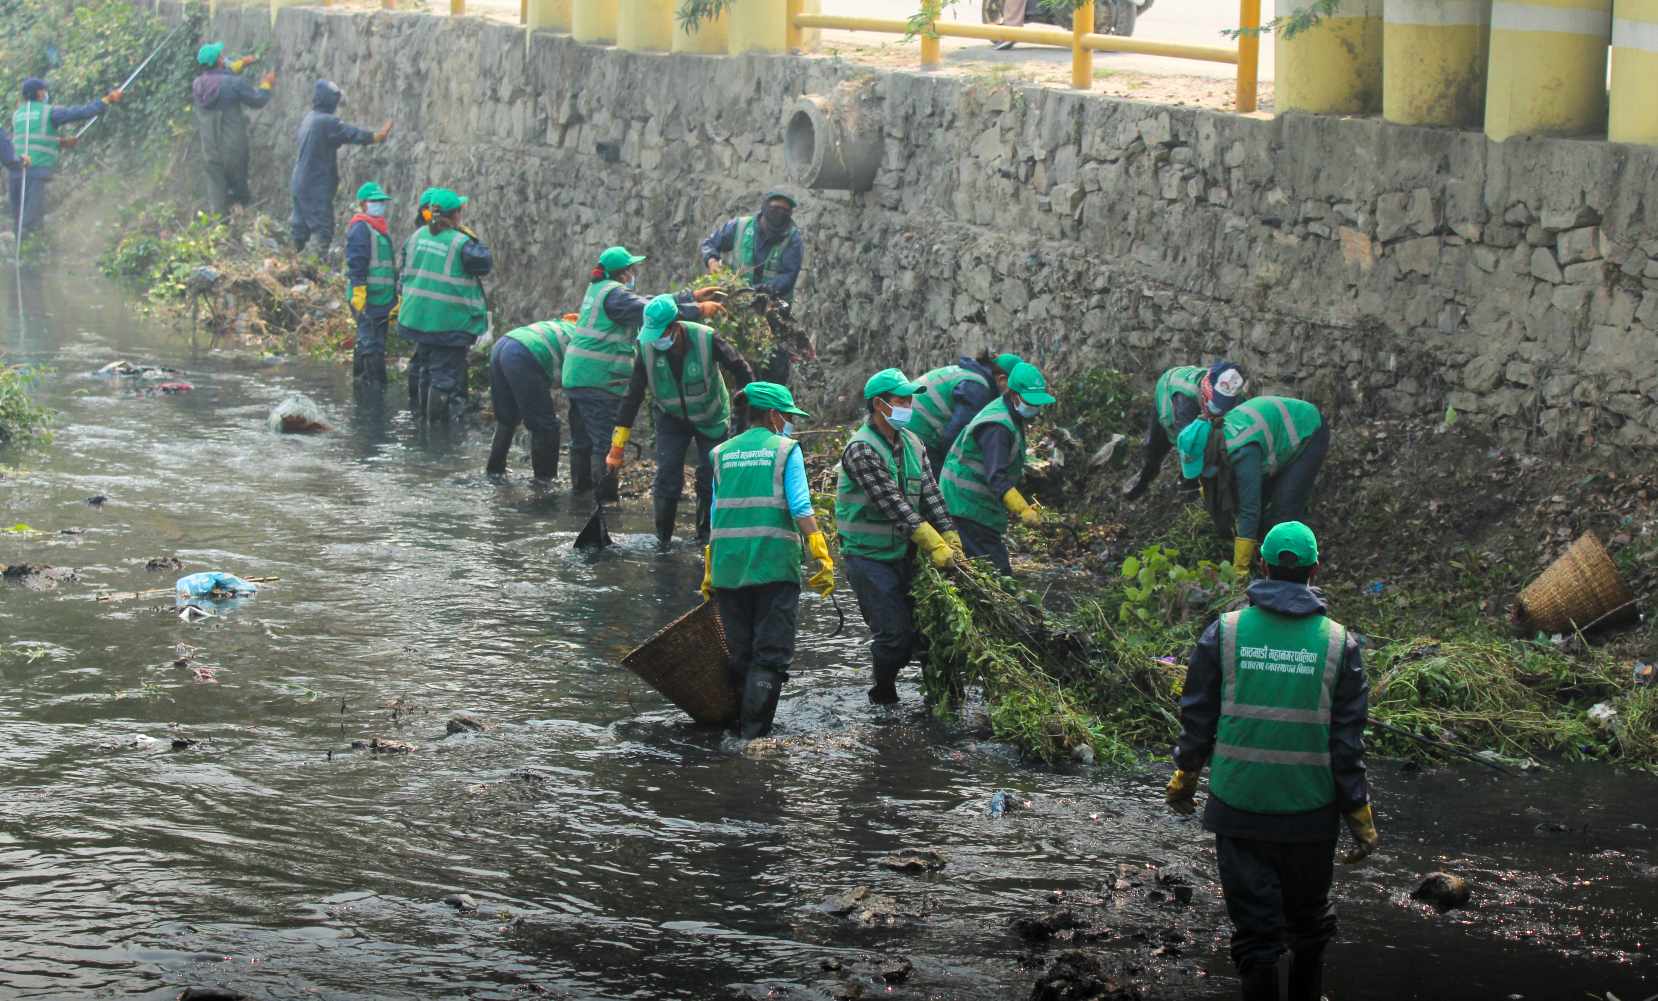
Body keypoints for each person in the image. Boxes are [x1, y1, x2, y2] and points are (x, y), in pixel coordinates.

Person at [1165, 520, 1376, 1001]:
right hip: (1310, 813)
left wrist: (1184, 777)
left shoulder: (1226, 632)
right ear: (1315, 569)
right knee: (1309, 927)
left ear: (1262, 564)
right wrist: (1359, 815)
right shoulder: (1341, 644)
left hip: (1238, 808)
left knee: (1256, 938)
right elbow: (1347, 746)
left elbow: (1198, 716)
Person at [702, 381, 833, 739]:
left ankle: (734, 729)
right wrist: (819, 548)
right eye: (788, 415)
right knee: (771, 654)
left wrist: (710, 565)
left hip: (729, 568)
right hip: (773, 564)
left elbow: (715, 514)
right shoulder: (785, 450)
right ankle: (753, 740)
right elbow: (801, 506)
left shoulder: (721, 453)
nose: (790, 422)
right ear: (774, 415)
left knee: (740, 653)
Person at [836, 368, 963, 705]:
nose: (909, 405)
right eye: (901, 400)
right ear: (879, 405)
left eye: (910, 399)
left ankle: (943, 704)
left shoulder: (912, 442)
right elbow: (894, 506)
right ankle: (883, 692)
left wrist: (949, 532)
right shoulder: (861, 449)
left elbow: (930, 494)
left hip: (905, 552)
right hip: (868, 556)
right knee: (894, 637)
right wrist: (933, 542)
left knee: (931, 632)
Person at [560, 245, 722, 500]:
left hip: (576, 375)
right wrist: (697, 310)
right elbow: (651, 312)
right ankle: (605, 506)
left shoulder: (599, 289)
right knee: (605, 445)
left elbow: (651, 301)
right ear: (624, 273)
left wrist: (689, 295)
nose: (634, 274)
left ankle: (579, 498)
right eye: (632, 269)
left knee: (582, 442)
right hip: (599, 378)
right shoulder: (615, 295)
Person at [609, 294, 752, 545]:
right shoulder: (647, 348)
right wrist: (617, 447)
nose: (656, 342)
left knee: (710, 475)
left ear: (674, 327)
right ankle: (662, 540)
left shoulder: (706, 338)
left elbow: (742, 370)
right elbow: (632, 397)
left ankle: (705, 538)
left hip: (711, 416)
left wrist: (744, 423)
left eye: (660, 335)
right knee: (667, 475)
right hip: (671, 417)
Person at [1176, 394, 1327, 575]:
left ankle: (1290, 570)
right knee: (1260, 510)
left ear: (1208, 449)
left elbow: (1249, 510)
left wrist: (1240, 569)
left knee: (1283, 509)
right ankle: (1261, 552)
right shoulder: (1214, 439)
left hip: (1307, 429)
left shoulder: (1242, 451)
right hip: (1272, 437)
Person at [938, 360, 1056, 577]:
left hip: (974, 504)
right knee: (997, 573)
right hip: (966, 505)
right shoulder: (997, 426)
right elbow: (997, 477)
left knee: (978, 570)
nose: (1035, 408)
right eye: (1030, 401)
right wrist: (1023, 510)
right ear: (1013, 394)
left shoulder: (1012, 415)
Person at [395, 187, 492, 421]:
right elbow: (484, 263)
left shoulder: (416, 236)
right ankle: (436, 437)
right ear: (456, 214)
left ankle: (419, 419)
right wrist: (468, 236)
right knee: (443, 377)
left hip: (416, 318)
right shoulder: (461, 243)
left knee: (424, 369)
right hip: (447, 323)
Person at [10, 77, 121, 236]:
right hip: (35, 171)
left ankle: (19, 253)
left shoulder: (18, 115)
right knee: (32, 219)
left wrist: (60, 142)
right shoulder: (49, 112)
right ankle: (32, 255)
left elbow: (30, 138)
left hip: (15, 171)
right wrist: (107, 100)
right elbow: (81, 112)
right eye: (45, 91)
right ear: (40, 93)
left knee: (19, 217)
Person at [290, 79, 391, 253]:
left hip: (300, 182)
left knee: (299, 230)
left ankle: (292, 266)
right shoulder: (326, 122)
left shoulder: (309, 118)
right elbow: (352, 134)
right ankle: (310, 268)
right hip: (315, 184)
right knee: (322, 230)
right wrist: (377, 136)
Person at [1124, 360, 1247, 500]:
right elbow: (1190, 443)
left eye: (1225, 404)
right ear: (1208, 388)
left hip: (1199, 407)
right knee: (1155, 449)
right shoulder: (1185, 399)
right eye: (1218, 402)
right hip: (1168, 389)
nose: (1219, 409)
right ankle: (1144, 479)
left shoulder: (1235, 393)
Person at [487, 316, 574, 482]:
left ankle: (494, 471)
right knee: (545, 426)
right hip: (523, 353)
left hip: (503, 344)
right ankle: (545, 482)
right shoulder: (584, 339)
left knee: (506, 419)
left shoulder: (561, 327)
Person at [908, 351, 1023, 474]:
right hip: (919, 432)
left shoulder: (971, 374)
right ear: (1002, 380)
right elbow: (954, 439)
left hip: (912, 424)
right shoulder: (977, 389)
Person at [192, 44, 274, 215]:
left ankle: (219, 231)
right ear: (220, 61)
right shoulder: (233, 83)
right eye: (222, 56)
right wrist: (266, 84)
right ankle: (243, 222)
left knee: (218, 199)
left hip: (210, 151)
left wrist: (240, 64)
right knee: (239, 195)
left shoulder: (198, 85)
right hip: (233, 150)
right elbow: (257, 100)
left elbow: (217, 82)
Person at [699, 190, 804, 300]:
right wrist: (712, 261)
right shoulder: (740, 226)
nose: (780, 213)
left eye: (785, 210)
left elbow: (788, 275)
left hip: (771, 305)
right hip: (734, 298)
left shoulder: (792, 238)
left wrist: (761, 290)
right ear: (765, 206)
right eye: (776, 208)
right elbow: (709, 243)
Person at [343, 182, 397, 388]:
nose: (379, 205)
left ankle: (361, 384)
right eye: (375, 201)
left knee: (372, 342)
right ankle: (373, 391)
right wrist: (358, 289)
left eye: (382, 202)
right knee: (371, 344)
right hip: (367, 297)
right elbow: (356, 260)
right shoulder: (360, 227)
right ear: (363, 204)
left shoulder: (378, 229)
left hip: (381, 298)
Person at [396, 186, 440, 410]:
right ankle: (424, 414)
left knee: (421, 360)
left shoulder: (414, 239)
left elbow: (402, 278)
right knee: (431, 364)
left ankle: (417, 408)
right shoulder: (440, 239)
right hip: (434, 314)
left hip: (417, 310)